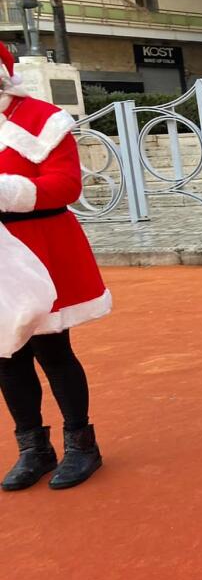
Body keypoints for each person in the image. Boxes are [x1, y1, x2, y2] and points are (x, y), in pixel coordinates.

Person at [0, 43, 111, 491]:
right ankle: (34, 448)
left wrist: (6, 191)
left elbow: (65, 184)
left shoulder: (43, 120)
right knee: (6, 356)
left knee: (52, 349)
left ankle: (82, 445)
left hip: (40, 247)